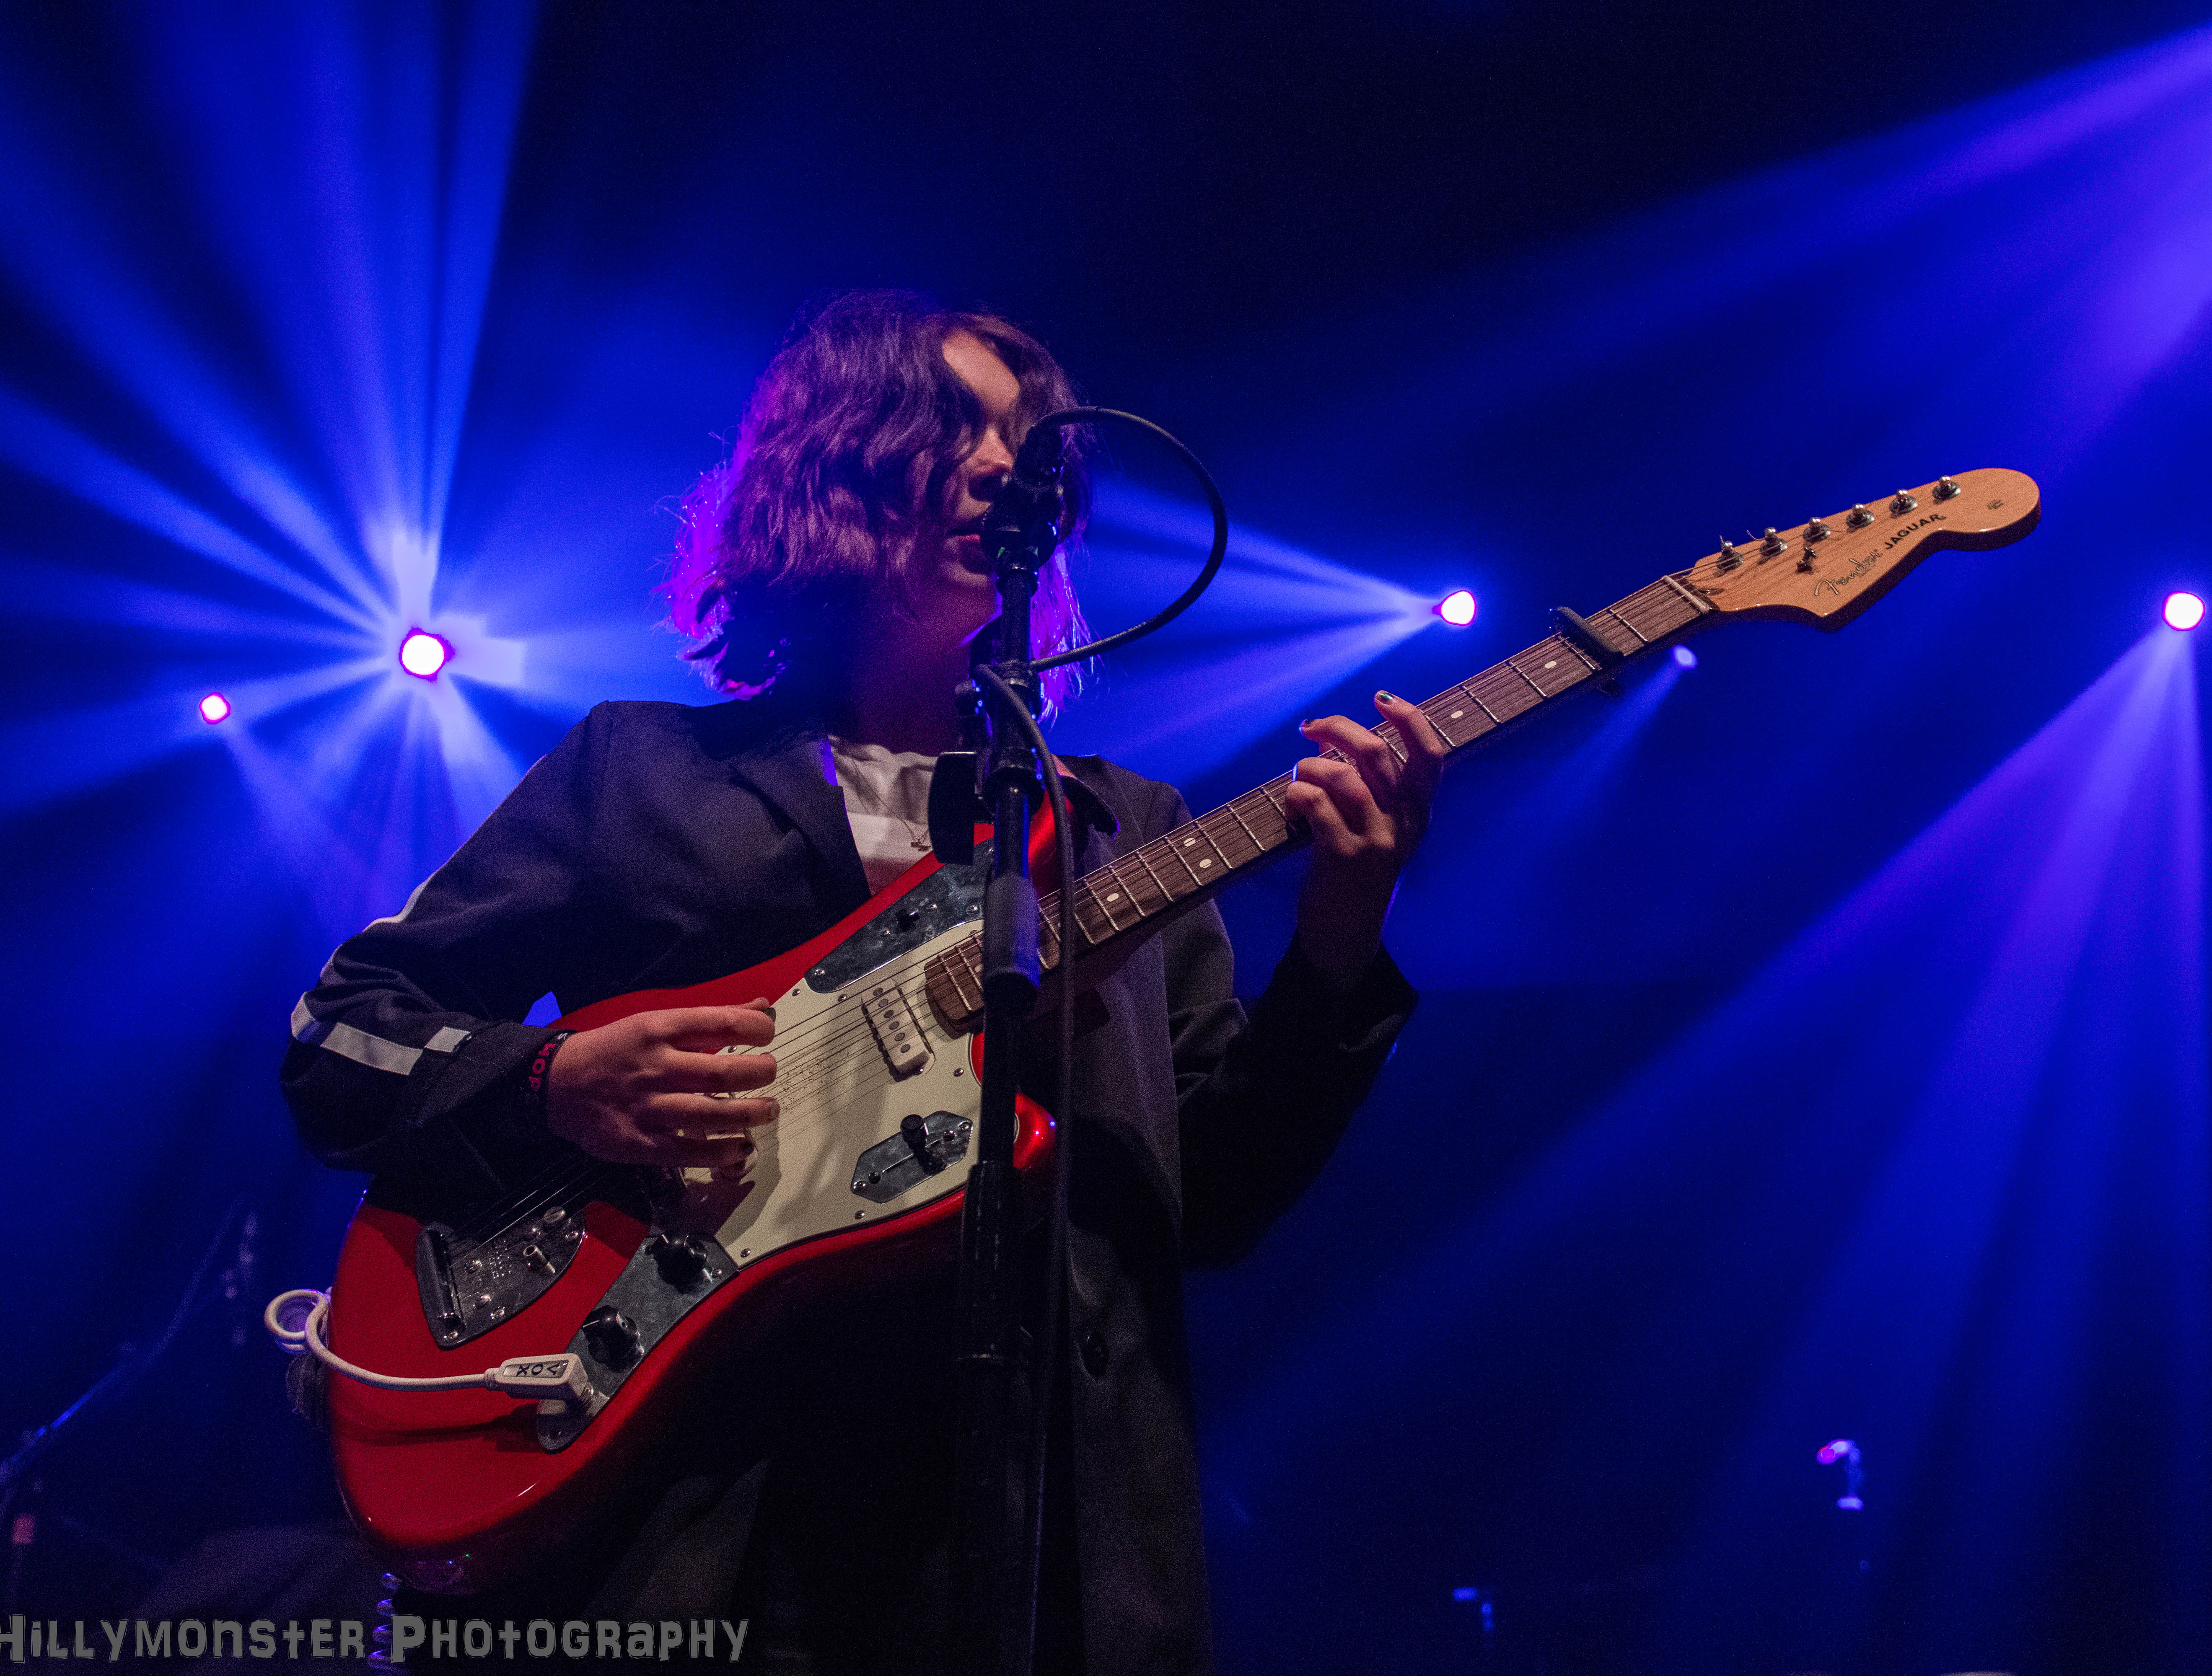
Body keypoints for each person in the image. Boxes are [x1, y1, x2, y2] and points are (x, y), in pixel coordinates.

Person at [282, 290, 1445, 1673]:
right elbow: (340, 1035)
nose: (1003, 466)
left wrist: (1340, 936)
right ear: (835, 462)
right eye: (954, 427)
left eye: (1026, 442)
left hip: (1028, 1545)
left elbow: (1215, 1200)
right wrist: (553, 1080)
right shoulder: (640, 772)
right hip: (687, 1524)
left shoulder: (1120, 830)